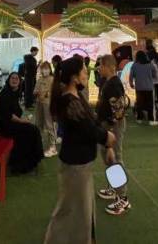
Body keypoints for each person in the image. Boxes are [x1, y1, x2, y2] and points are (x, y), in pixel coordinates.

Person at [44, 58, 116, 244]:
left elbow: (91, 122)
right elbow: (88, 128)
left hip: (82, 164)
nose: (87, 73)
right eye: (84, 71)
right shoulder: (70, 102)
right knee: (69, 211)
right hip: (75, 166)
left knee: (83, 210)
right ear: (74, 78)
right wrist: (107, 138)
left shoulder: (76, 97)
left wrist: (107, 142)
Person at [95, 54, 131, 215]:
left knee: (114, 159)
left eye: (101, 65)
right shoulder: (107, 82)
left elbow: (119, 110)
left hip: (113, 126)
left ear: (108, 67)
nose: (99, 68)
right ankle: (113, 187)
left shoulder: (114, 84)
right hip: (106, 125)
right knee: (107, 157)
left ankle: (123, 197)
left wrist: (110, 130)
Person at [0, 72, 44, 174]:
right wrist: (22, 121)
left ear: (19, 81)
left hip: (11, 123)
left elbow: (16, 112)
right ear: (8, 80)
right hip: (5, 126)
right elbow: (9, 115)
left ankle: (31, 162)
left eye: (16, 79)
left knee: (33, 129)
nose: (14, 80)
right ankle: (21, 166)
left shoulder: (14, 93)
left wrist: (23, 119)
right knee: (30, 131)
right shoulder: (5, 94)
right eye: (12, 78)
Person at [35, 61, 58, 157]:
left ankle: (53, 147)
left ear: (50, 69)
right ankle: (38, 143)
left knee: (49, 125)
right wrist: (37, 93)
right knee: (38, 123)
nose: (45, 70)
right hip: (39, 104)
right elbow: (35, 91)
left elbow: (55, 92)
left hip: (48, 105)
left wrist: (46, 94)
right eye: (43, 68)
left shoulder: (52, 80)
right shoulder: (39, 80)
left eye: (47, 68)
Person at [129, 51, 156, 125]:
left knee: (139, 103)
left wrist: (131, 84)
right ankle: (151, 119)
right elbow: (154, 74)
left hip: (139, 87)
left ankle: (139, 118)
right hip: (149, 87)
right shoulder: (150, 65)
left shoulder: (134, 65)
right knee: (150, 104)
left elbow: (131, 76)